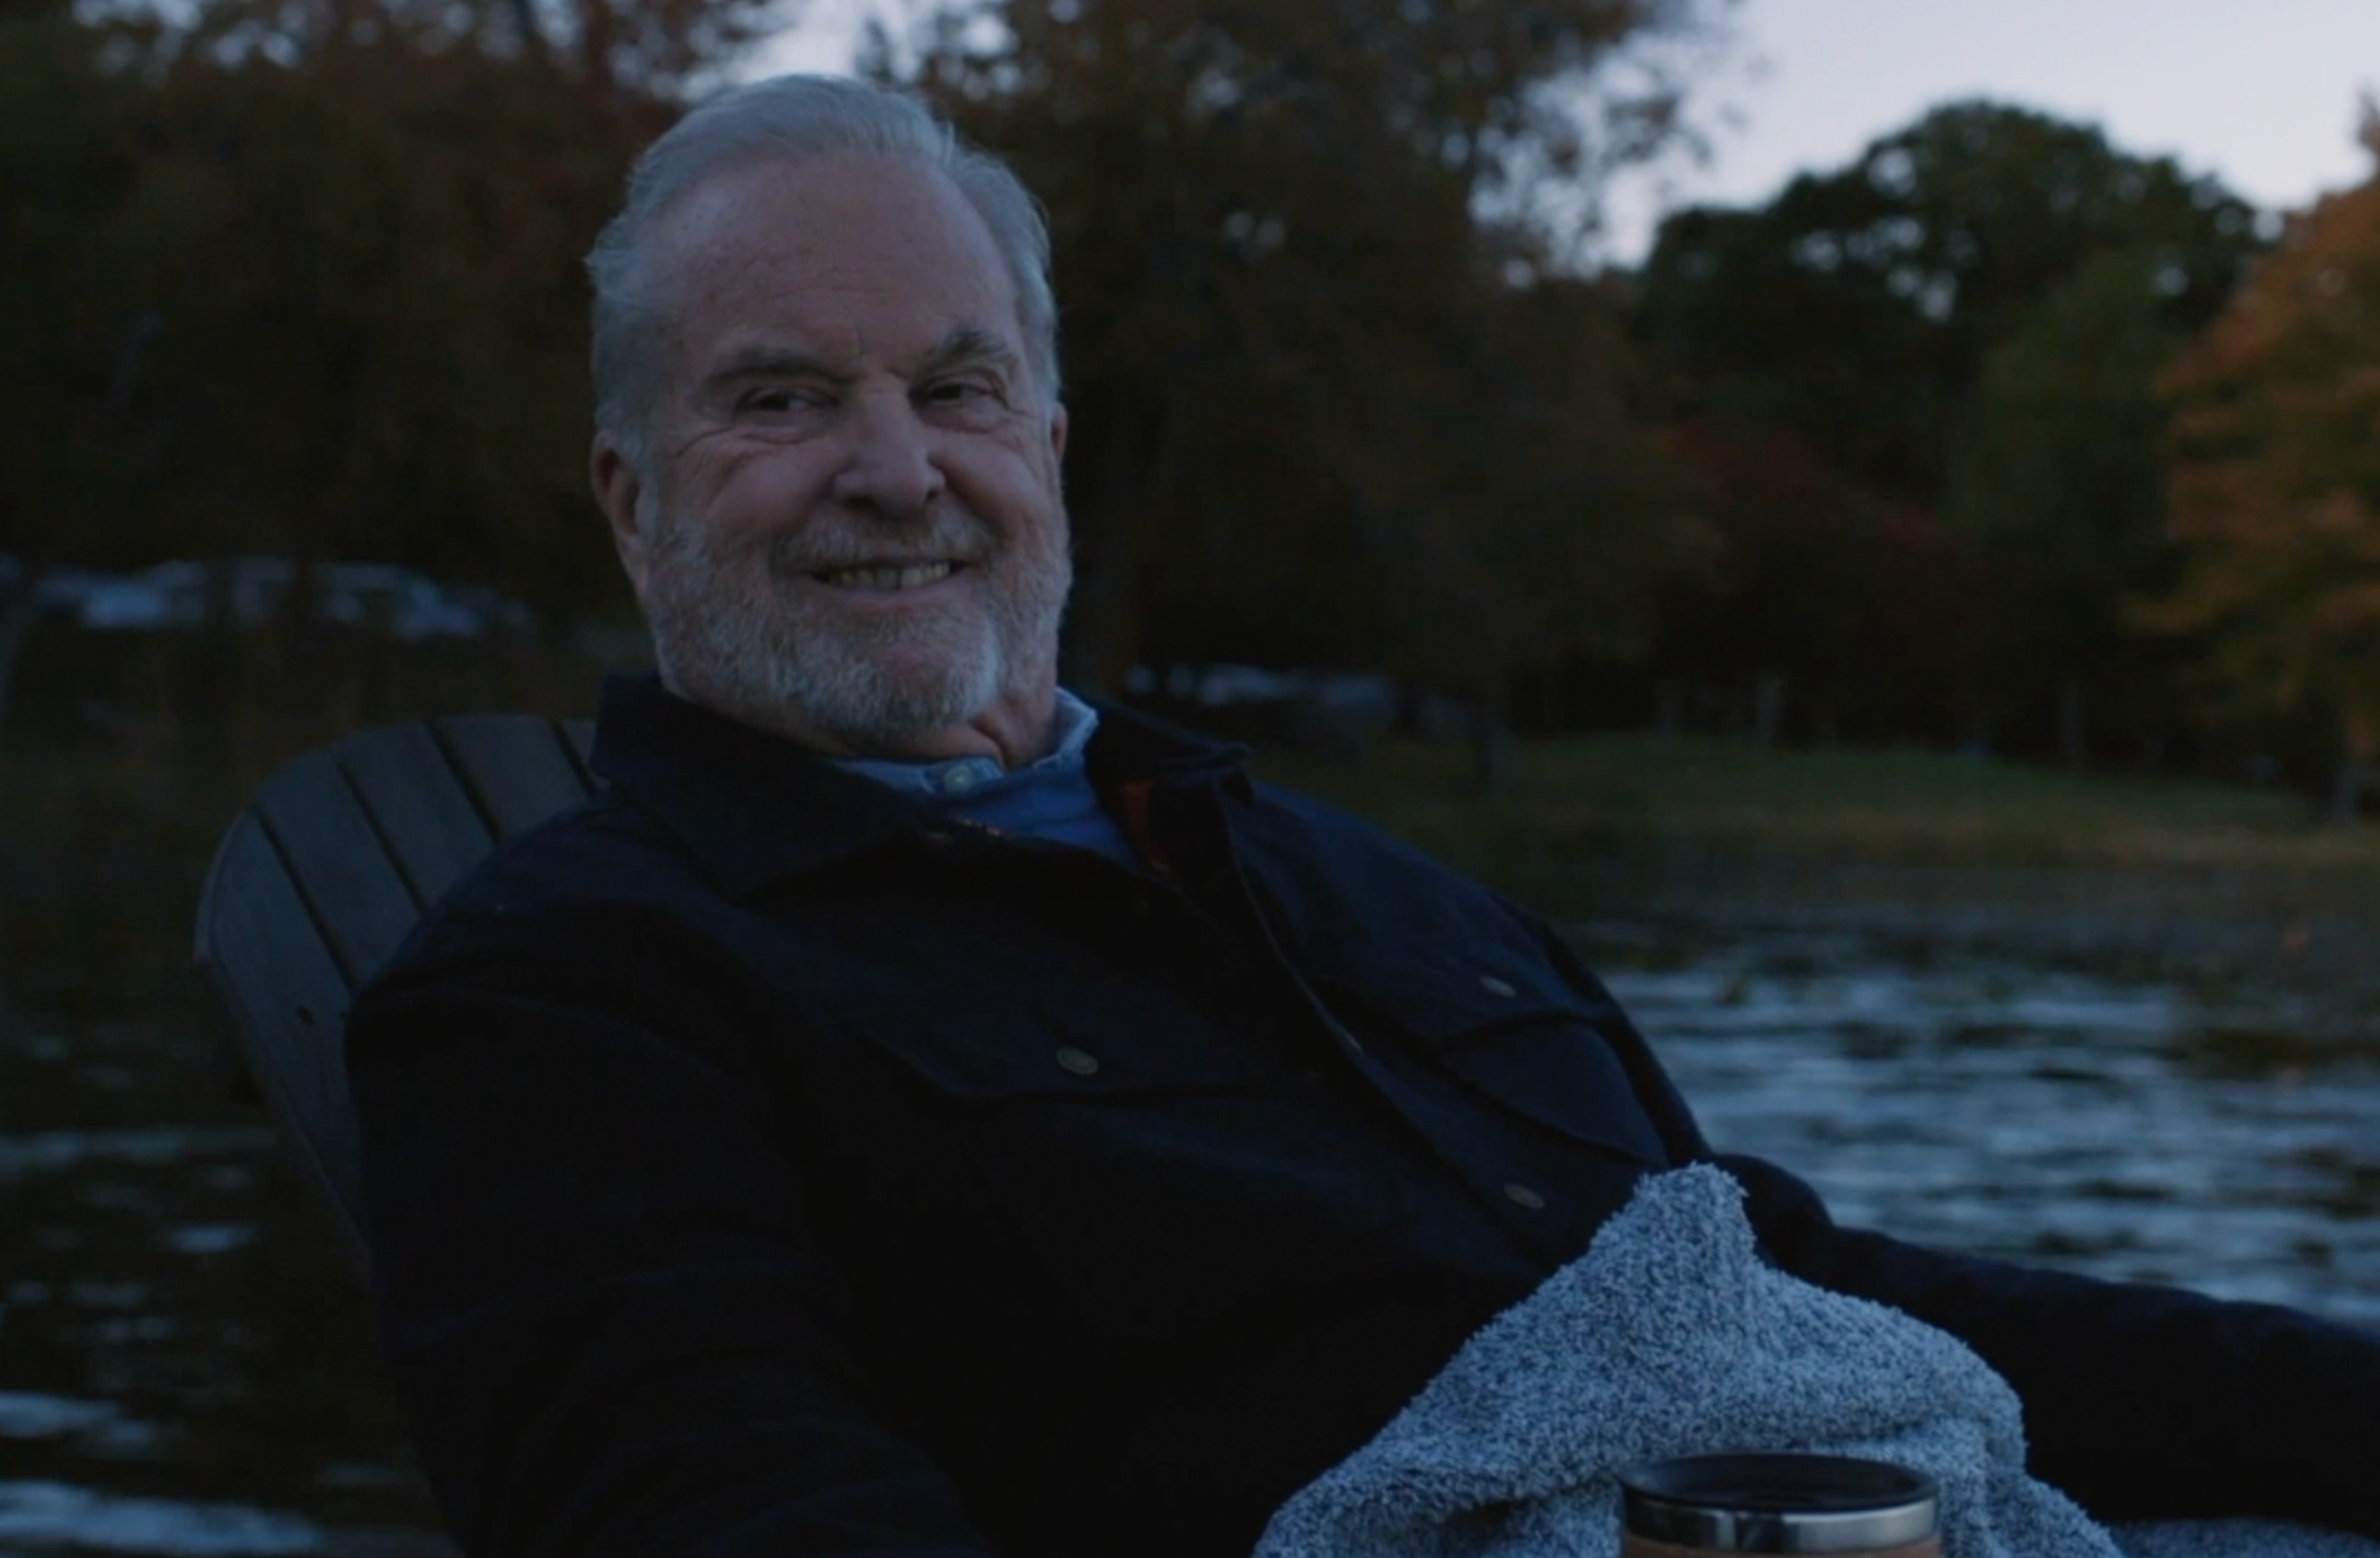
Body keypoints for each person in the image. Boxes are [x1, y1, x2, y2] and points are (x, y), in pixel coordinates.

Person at [342, 73, 2380, 1558]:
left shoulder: (1357, 888)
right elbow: (721, 1501)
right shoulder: (576, 990)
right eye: (782, 399)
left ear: (1047, 445)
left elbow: (1774, 1284)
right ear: (633, 496)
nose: (897, 469)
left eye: (958, 392)